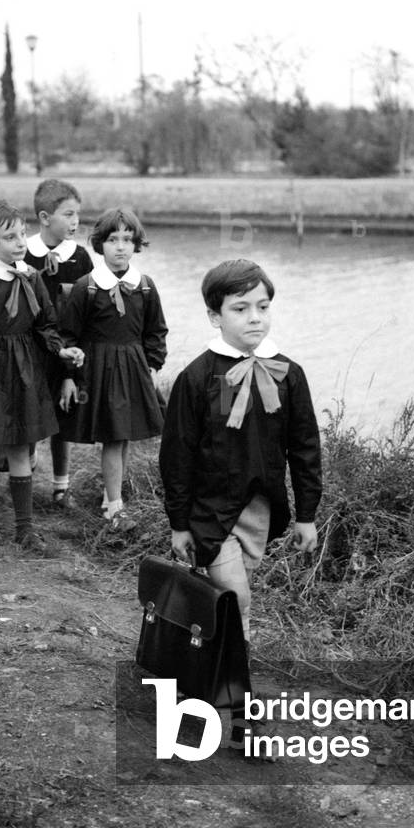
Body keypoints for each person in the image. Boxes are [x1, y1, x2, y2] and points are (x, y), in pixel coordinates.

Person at [158, 258, 322, 753]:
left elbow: (305, 447)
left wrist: (308, 514)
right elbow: (177, 456)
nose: (255, 317)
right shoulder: (197, 377)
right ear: (215, 316)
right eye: (241, 307)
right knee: (235, 606)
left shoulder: (289, 374)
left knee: (228, 612)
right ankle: (243, 726)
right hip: (210, 515)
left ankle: (198, 681)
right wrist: (179, 522)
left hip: (260, 514)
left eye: (263, 306)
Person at [0, 199, 83, 549]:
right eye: (10, 237)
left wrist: (60, 350)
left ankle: (25, 530)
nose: (21, 242)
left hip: (25, 373)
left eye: (22, 234)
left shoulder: (31, 276)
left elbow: (46, 324)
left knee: (22, 447)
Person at [58, 207, 167, 532]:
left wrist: (152, 366)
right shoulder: (86, 287)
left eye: (127, 240)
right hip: (99, 372)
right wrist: (68, 376)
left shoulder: (145, 287)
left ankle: (111, 498)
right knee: (113, 436)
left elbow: (156, 331)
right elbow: (68, 335)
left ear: (136, 245)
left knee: (122, 438)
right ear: (100, 244)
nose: (120, 247)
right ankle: (114, 509)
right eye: (112, 239)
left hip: (132, 369)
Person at [23, 178, 93, 510]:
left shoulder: (81, 259)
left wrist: (69, 371)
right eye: (68, 214)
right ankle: (26, 459)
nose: (75, 221)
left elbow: (84, 316)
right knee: (31, 412)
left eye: (78, 214)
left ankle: (61, 488)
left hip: (67, 350)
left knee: (63, 415)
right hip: (30, 351)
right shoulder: (22, 255)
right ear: (45, 217)